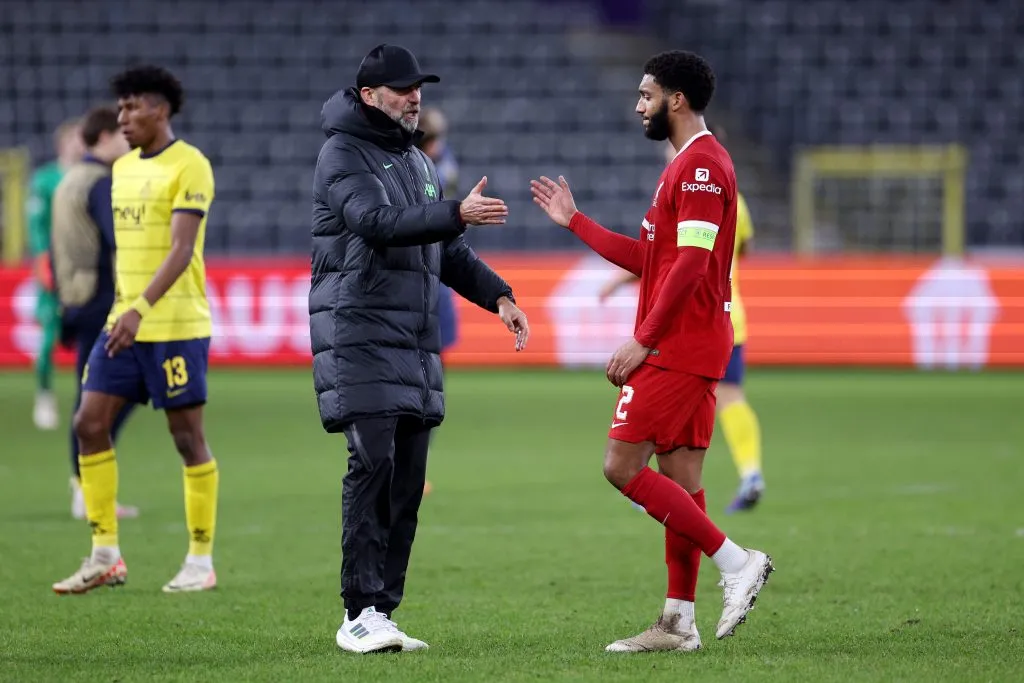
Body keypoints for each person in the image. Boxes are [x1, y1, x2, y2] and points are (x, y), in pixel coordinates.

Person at [530, 50, 774, 652]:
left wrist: (644, 339)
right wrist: (577, 223)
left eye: (646, 95)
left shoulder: (701, 169)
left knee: (621, 466)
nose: (638, 105)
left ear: (677, 100)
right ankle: (677, 623)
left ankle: (737, 560)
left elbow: (690, 266)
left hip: (680, 346)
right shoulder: (685, 166)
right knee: (683, 479)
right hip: (693, 344)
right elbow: (653, 260)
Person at [311, 43, 530, 654]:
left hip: (411, 340)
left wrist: (500, 297)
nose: (415, 97)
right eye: (404, 88)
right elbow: (375, 224)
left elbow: (446, 251)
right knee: (372, 464)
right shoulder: (342, 154)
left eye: (419, 88)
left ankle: (383, 610)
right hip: (358, 330)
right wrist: (455, 212)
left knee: (408, 481)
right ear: (369, 96)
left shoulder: (415, 160)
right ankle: (357, 612)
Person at [52, 66, 220, 595]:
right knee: (89, 423)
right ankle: (105, 553)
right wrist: (124, 310)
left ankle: (200, 559)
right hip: (122, 323)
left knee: (187, 439)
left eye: (132, 107)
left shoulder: (189, 164)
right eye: (120, 108)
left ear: (161, 111)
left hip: (173, 324)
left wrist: (140, 308)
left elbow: (181, 249)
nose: (123, 117)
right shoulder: (119, 170)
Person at [599, 128, 766, 514]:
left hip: (687, 325)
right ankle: (750, 471)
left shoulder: (691, 188)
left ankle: (652, 488)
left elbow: (675, 263)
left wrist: (620, 285)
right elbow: (741, 251)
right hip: (730, 318)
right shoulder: (737, 201)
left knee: (661, 415)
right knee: (731, 398)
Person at [50, 106, 140, 522]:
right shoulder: (100, 182)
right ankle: (86, 485)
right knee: (107, 397)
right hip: (102, 301)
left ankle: (83, 485)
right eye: (122, 135)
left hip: (75, 298)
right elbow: (118, 237)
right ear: (104, 137)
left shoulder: (67, 180)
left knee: (93, 397)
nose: (128, 142)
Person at [415, 106, 461, 497]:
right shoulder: (418, 165)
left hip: (436, 276)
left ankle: (419, 463)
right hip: (417, 277)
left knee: (433, 375)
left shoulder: (441, 165)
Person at [27, 119, 84, 430]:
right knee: (50, 333)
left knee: (90, 334)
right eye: (75, 139)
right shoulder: (45, 180)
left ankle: (88, 400)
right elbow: (36, 226)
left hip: (85, 267)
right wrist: (42, 262)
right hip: (54, 265)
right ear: (62, 144)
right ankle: (44, 396)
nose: (80, 144)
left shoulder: (92, 176)